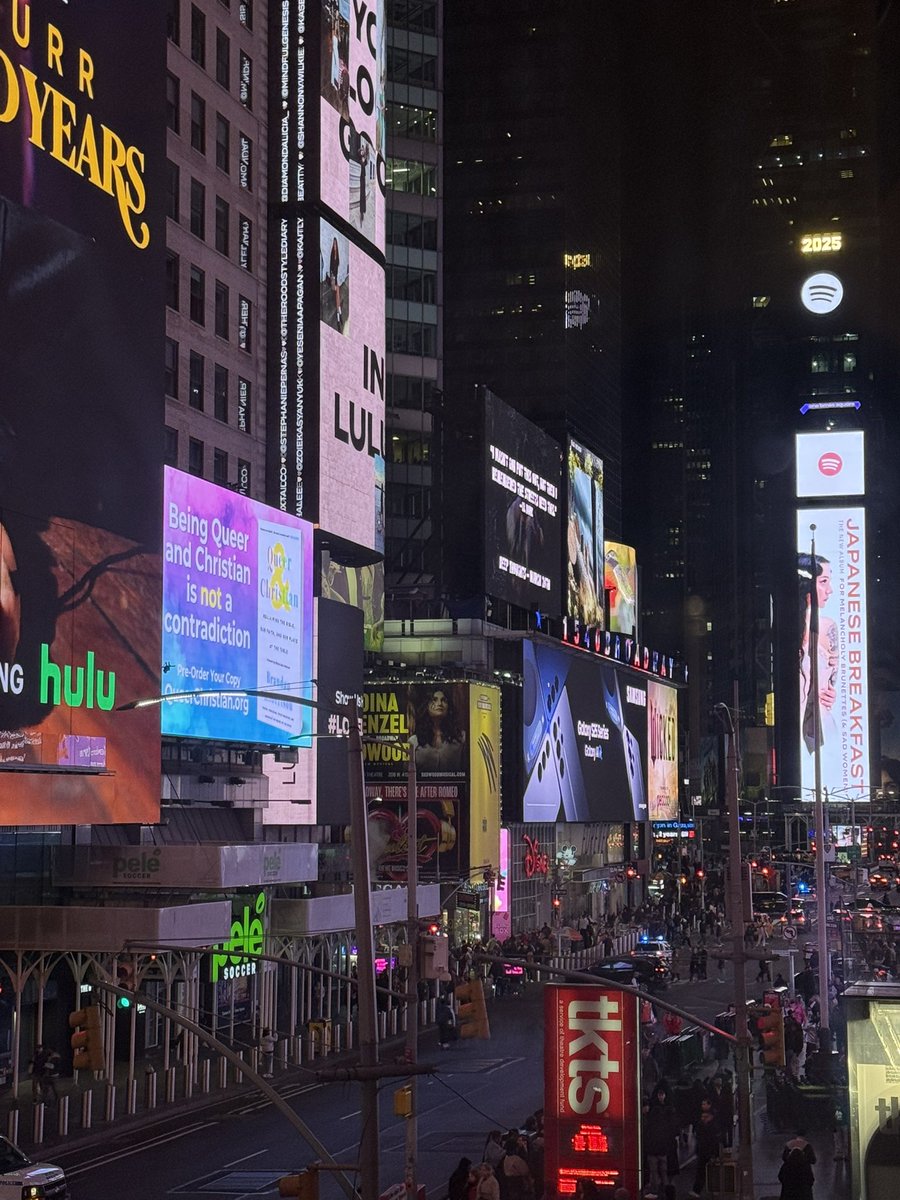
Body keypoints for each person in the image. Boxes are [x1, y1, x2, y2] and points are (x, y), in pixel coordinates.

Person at [410, 687, 466, 773]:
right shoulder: (413, 741)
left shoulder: (461, 738)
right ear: (426, 705)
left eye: (444, 700)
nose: (439, 703)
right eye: (434, 700)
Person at [689, 1099, 721, 1199]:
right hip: (706, 1151)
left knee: (702, 1172)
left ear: (710, 1117)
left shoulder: (705, 1127)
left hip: (706, 1151)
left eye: (705, 1117)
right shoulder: (712, 1126)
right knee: (708, 1171)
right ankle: (713, 1190)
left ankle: (697, 1190)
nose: (703, 1118)